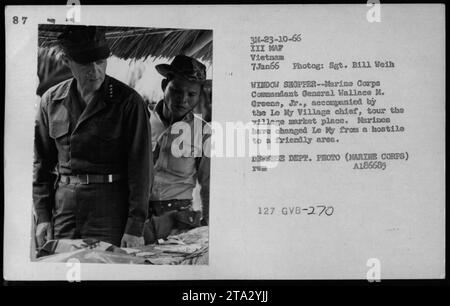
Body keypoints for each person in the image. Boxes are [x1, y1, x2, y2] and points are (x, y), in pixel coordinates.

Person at [33, 25, 152, 248]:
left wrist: (135, 227)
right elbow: (41, 164)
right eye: (86, 63)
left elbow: (141, 168)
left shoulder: (128, 102)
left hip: (108, 209)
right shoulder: (51, 101)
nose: (95, 70)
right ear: (67, 61)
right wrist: (43, 216)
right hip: (64, 209)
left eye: (100, 62)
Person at [144, 55, 210, 243]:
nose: (183, 100)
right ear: (165, 85)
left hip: (179, 222)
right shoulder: (141, 121)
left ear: (199, 96)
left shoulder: (204, 132)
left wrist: (206, 226)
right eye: (176, 91)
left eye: (191, 94)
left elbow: (208, 184)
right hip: (137, 219)